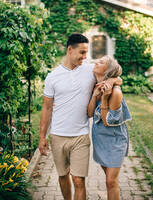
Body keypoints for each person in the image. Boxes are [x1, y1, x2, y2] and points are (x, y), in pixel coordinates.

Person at [39, 34, 121, 200]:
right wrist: (42, 136)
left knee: (78, 180)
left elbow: (115, 75)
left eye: (86, 53)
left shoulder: (89, 70)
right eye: (82, 53)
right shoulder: (52, 77)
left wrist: (112, 82)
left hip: (81, 136)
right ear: (70, 50)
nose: (85, 57)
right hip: (57, 135)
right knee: (63, 176)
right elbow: (47, 108)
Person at [88, 56, 132, 200]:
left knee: (110, 181)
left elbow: (108, 122)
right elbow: (89, 114)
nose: (96, 62)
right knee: (109, 179)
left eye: (101, 62)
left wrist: (105, 98)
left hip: (114, 140)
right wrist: (95, 96)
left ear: (107, 70)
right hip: (100, 140)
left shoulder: (115, 92)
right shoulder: (97, 83)